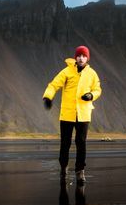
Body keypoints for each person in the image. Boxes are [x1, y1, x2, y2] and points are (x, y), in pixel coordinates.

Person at [43, 45, 102, 183]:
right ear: (75, 57)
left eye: (84, 56)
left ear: (87, 58)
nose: (81, 58)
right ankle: (63, 168)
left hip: (83, 114)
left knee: (81, 143)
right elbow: (54, 85)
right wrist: (48, 97)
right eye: (79, 55)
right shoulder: (67, 71)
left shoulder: (92, 74)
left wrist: (91, 95)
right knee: (65, 143)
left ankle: (80, 172)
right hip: (67, 114)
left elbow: (98, 89)